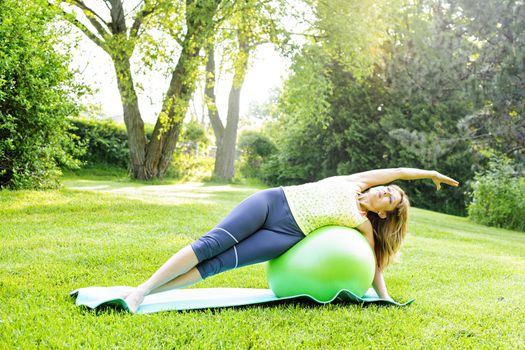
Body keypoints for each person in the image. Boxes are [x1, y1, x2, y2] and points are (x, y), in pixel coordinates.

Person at [123, 167, 459, 312]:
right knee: (211, 245)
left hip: (284, 235)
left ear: (384, 214)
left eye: (390, 199)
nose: (385, 191)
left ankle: (148, 294)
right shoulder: (356, 181)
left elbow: (373, 265)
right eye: (387, 189)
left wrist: (384, 297)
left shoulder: (363, 224)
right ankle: (141, 290)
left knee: (217, 265)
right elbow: (399, 171)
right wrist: (428, 174)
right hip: (272, 203)